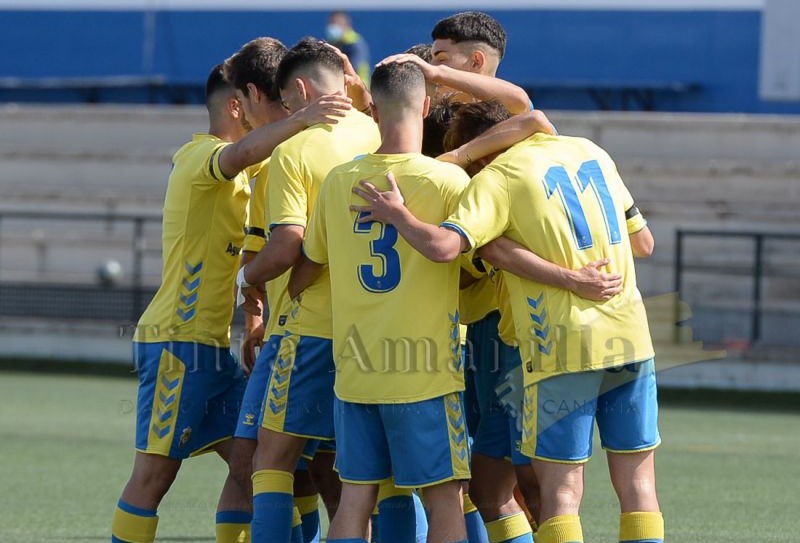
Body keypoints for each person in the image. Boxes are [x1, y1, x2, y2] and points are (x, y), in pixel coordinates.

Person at [352, 100, 662, 543]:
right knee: (638, 484)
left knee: (561, 492)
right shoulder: (589, 150)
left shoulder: (498, 178)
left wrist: (398, 214)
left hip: (561, 345)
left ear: (480, 153)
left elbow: (447, 248)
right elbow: (644, 243)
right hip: (631, 337)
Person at [290, 59, 472, 543]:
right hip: (424, 373)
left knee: (355, 500)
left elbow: (310, 265)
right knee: (443, 500)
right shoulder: (447, 183)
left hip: (356, 371)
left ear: (371, 107)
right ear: (427, 106)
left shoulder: (338, 181)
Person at [235, 37, 381, 543]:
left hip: (313, 326)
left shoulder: (292, 150)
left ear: (297, 90)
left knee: (270, 458)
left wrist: (245, 279)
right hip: (379, 326)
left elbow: (288, 247)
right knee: (365, 471)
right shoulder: (382, 133)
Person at [326, 11, 370, 84]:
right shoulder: (332, 42)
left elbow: (352, 68)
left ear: (346, 24)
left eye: (337, 24)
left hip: (359, 87)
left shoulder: (356, 43)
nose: (333, 27)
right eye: (331, 23)